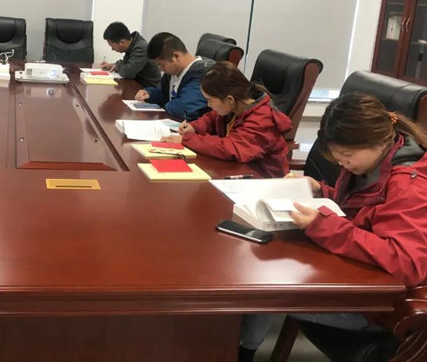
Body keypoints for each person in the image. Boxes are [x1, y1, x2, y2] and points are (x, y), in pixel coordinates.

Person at [238, 92, 427, 361]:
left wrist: (323, 226)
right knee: (263, 274)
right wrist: (320, 190)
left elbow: (407, 263)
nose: (341, 163)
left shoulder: (409, 185)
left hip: (380, 304)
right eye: (337, 157)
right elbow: (361, 210)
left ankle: (242, 353)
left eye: (346, 155)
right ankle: (244, 349)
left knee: (266, 293)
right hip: (354, 276)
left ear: (377, 141)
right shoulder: (373, 161)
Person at [163, 61, 291, 177]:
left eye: (210, 100)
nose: (209, 105)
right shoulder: (235, 106)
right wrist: (194, 127)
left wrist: (187, 139)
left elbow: (231, 148)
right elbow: (212, 117)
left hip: (264, 180)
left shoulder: (262, 119)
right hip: (239, 171)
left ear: (229, 99)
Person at [134, 32, 212, 120]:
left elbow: (183, 108)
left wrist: (164, 106)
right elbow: (164, 93)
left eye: (161, 65)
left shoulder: (203, 74)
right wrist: (150, 94)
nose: (160, 69)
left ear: (176, 56)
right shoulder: (173, 72)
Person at [99, 22, 160, 88]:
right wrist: (112, 65)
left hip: (148, 89)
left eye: (112, 46)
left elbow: (128, 73)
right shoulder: (132, 45)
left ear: (122, 42)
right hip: (136, 85)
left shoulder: (141, 48)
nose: (112, 49)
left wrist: (117, 65)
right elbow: (126, 65)